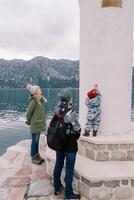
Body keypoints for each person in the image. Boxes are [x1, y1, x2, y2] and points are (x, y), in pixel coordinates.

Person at [53, 88, 81, 199]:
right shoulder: (71, 112)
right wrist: (75, 137)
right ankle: (69, 194)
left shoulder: (56, 109)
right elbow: (77, 129)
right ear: (69, 99)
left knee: (58, 165)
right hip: (70, 145)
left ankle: (57, 187)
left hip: (59, 143)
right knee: (69, 169)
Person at [26, 84, 46, 165]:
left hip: (39, 125)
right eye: (39, 89)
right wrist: (29, 121)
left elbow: (45, 101)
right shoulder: (33, 101)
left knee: (37, 141)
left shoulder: (39, 100)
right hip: (35, 125)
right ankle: (33, 156)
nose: (41, 89)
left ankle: (37, 155)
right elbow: (28, 113)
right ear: (35, 92)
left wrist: (40, 96)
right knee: (34, 141)